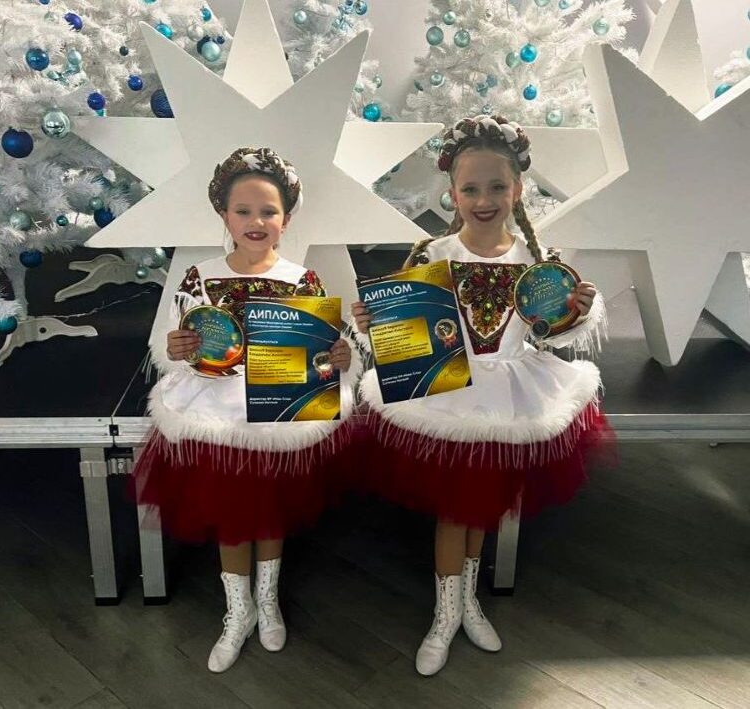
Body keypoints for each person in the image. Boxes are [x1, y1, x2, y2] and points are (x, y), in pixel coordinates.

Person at [351, 115, 610, 676]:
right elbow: (405, 335)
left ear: (518, 189)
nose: (484, 200)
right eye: (471, 189)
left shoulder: (536, 262)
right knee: (454, 512)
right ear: (452, 192)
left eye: (497, 187)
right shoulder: (433, 254)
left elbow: (547, 335)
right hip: (446, 395)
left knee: (481, 509)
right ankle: (446, 614)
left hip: (508, 397)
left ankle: (467, 604)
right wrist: (373, 323)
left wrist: (574, 313)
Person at [133, 147, 361, 673]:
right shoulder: (199, 277)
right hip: (217, 413)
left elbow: (322, 352)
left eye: (268, 211)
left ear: (286, 218)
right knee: (232, 515)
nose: (256, 222)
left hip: (278, 412)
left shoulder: (304, 281)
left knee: (269, 508)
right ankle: (238, 610)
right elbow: (183, 344)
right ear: (223, 214)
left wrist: (341, 357)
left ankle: (268, 599)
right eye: (243, 211)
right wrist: (178, 348)